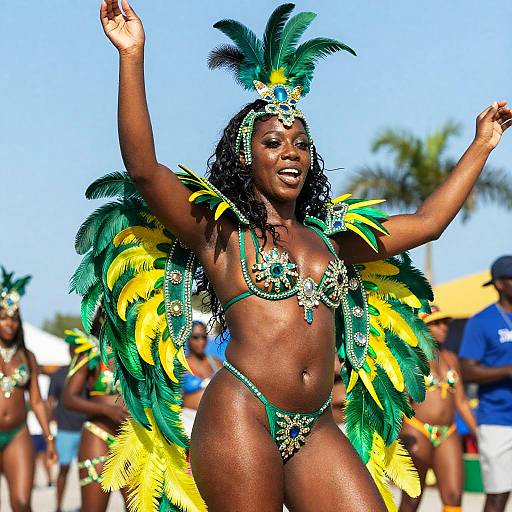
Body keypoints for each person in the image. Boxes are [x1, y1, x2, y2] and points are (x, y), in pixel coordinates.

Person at [74, 1, 511, 510]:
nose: (291, 153)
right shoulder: (220, 233)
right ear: (246, 154)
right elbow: (145, 169)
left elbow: (427, 223)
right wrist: (132, 55)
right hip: (243, 412)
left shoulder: (332, 241)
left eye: (301, 144)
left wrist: (483, 143)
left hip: (317, 423)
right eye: (274, 142)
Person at [399, 306, 477, 512]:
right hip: (417, 429)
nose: (443, 327)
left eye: (445, 322)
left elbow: (461, 401)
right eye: (435, 323)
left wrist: (478, 433)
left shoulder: (451, 358)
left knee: (454, 496)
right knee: (412, 498)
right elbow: (397, 400)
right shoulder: (409, 357)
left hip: (448, 432)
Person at [0, 267, 57, 511]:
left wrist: (49, 438)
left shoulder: (28, 357)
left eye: (14, 318)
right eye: (3, 317)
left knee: (22, 504)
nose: (9, 323)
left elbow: (36, 401)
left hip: (17, 434)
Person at [459, 256, 512, 512]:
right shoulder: (482, 321)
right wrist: (507, 371)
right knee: (498, 496)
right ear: (500, 284)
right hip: (497, 421)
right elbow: (467, 370)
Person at [62, 318, 129, 512]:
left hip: (131, 440)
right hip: (98, 437)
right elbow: (68, 397)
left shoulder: (137, 350)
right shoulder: (90, 350)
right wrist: (108, 410)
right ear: (99, 315)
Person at [48, 347, 86, 512]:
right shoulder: (58, 374)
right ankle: (58, 507)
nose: (78, 353)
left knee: (87, 472)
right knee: (63, 469)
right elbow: (50, 400)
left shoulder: (89, 372)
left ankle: (88, 505)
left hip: (86, 428)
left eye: (81, 351)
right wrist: (50, 422)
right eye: (75, 350)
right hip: (65, 429)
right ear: (69, 351)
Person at [182, 321, 222, 435]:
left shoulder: (216, 362)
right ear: (187, 338)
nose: (201, 341)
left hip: (215, 420)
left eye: (204, 337)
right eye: (196, 337)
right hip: (188, 423)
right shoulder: (181, 366)